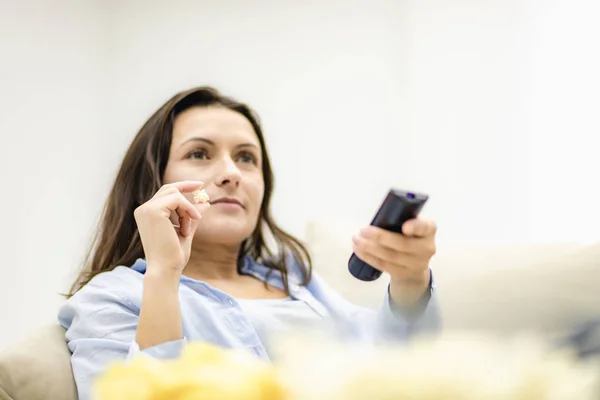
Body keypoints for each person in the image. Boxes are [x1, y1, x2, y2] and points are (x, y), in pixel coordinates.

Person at [58, 86, 442, 399]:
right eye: (199, 153)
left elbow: (398, 361)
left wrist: (410, 280)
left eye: (246, 158)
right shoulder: (110, 298)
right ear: (153, 180)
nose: (230, 173)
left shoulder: (293, 279)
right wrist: (163, 274)